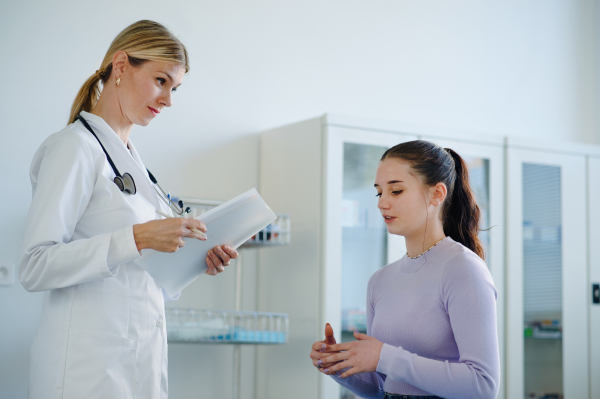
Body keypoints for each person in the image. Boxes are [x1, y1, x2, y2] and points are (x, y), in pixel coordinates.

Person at [19, 20, 237, 399]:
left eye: (175, 88)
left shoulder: (134, 164)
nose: (169, 99)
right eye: (161, 81)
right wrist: (137, 237)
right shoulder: (74, 149)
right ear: (121, 66)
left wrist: (195, 260)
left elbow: (137, 271)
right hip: (85, 372)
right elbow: (35, 265)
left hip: (138, 363)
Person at [309, 140, 500, 399]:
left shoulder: (463, 269)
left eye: (396, 191)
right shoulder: (379, 281)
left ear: (437, 194)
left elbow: (483, 386)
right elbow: (381, 387)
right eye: (379, 192)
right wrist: (339, 365)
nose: (381, 203)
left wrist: (385, 356)